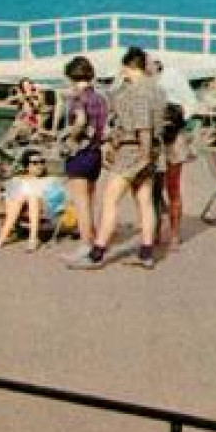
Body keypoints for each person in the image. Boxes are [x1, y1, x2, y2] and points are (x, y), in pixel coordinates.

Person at [69, 46, 164, 270]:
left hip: (133, 151)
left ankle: (97, 254)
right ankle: (146, 252)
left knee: (110, 199)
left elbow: (143, 127)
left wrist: (142, 155)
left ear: (128, 67)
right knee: (144, 201)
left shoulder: (137, 91)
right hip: (149, 151)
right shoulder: (158, 90)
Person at [59, 55, 107, 246]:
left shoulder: (79, 98)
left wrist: (68, 136)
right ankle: (93, 235)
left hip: (80, 152)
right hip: (96, 152)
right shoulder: (99, 98)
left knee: (81, 203)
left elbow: (80, 121)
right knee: (90, 198)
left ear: (71, 76)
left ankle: (86, 244)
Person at [0, 150, 60, 251]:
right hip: (19, 205)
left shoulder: (48, 179)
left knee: (32, 197)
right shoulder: (18, 179)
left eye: (42, 162)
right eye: (35, 163)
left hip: (42, 205)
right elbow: (7, 195)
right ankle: (5, 236)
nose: (40, 165)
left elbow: (56, 196)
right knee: (23, 196)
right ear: (27, 166)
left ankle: (31, 239)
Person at [155, 103, 193, 251]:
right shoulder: (180, 135)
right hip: (174, 146)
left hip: (167, 146)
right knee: (172, 191)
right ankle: (173, 235)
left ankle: (160, 233)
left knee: (157, 192)